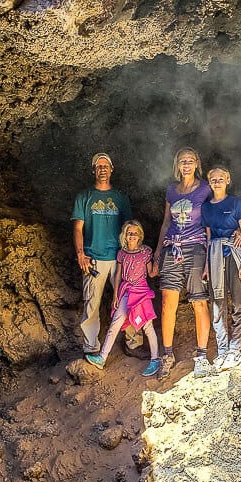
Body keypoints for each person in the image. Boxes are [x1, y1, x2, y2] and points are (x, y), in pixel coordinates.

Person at [72, 153, 145, 358]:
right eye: (98, 166)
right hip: (94, 257)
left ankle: (134, 343)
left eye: (106, 165)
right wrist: (81, 254)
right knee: (92, 303)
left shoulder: (120, 198)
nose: (102, 169)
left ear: (112, 169)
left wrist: (133, 255)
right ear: (93, 170)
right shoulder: (84, 197)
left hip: (120, 257)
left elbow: (130, 228)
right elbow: (78, 228)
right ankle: (91, 347)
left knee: (128, 300)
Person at [151, 147, 214, 379]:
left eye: (190, 160)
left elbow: (210, 220)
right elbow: (166, 222)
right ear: (177, 165)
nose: (186, 164)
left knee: (199, 300)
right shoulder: (172, 190)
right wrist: (158, 253)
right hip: (172, 247)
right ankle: (166, 355)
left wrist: (209, 255)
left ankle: (201, 356)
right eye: (182, 161)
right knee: (168, 302)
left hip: (196, 247)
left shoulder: (205, 189)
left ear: (197, 163)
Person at [85, 220, 161, 376]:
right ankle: (102, 358)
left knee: (147, 326)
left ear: (140, 235)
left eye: (135, 233)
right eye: (129, 233)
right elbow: (118, 275)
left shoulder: (145, 252)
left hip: (141, 293)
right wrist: (116, 295)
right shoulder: (122, 253)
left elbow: (151, 273)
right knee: (115, 324)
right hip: (126, 292)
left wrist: (159, 261)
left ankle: (155, 359)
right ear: (124, 236)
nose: (132, 236)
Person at [201, 166, 241, 371]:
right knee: (217, 303)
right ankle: (222, 350)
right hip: (214, 254)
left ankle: (235, 348)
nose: (217, 182)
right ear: (209, 183)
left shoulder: (236, 203)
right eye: (213, 180)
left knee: (238, 300)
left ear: (228, 180)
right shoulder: (206, 208)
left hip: (234, 254)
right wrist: (206, 264)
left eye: (220, 179)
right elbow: (208, 237)